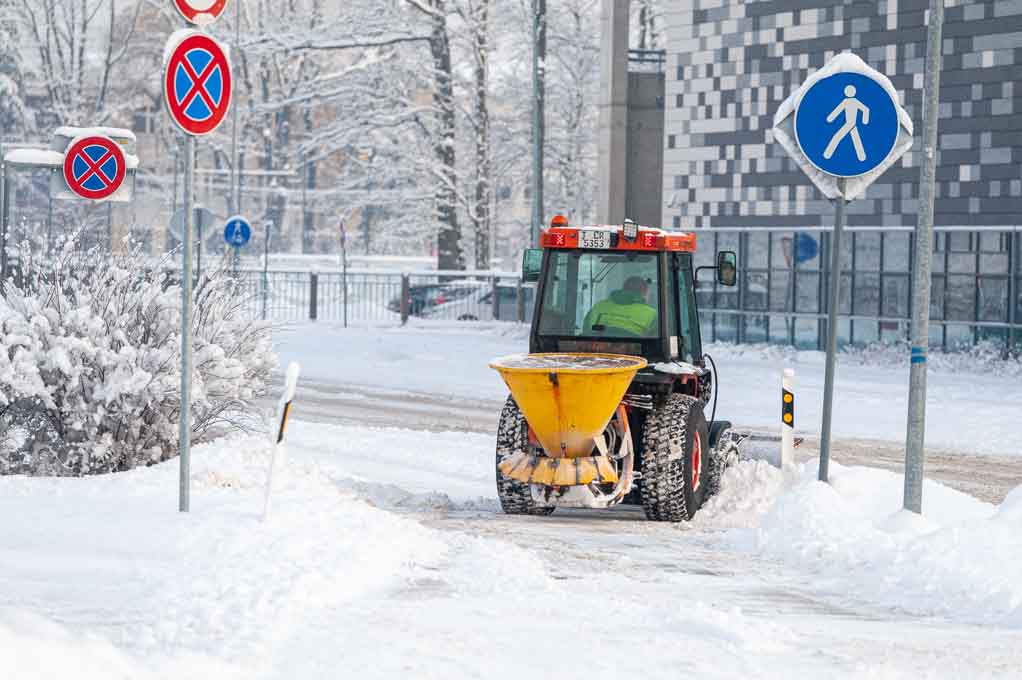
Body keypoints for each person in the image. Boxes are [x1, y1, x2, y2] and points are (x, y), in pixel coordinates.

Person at [583, 276, 657, 337]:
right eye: (648, 294)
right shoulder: (652, 314)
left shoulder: (599, 306)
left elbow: (587, 330)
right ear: (644, 293)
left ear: (624, 289)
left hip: (598, 350)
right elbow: (653, 341)